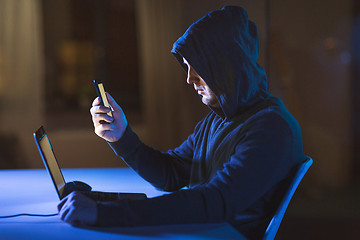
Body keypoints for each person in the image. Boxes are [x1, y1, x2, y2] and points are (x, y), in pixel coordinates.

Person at [58, 6, 306, 239]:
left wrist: (103, 214)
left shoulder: (272, 129)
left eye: (197, 67)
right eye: (187, 67)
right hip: (205, 229)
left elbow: (215, 202)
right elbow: (171, 175)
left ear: (225, 65)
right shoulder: (220, 119)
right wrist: (122, 137)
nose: (189, 79)